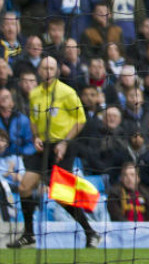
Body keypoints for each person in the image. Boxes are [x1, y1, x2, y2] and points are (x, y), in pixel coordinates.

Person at [7, 56, 100, 248]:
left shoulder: (67, 93)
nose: (47, 72)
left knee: (60, 193)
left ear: (57, 71)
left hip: (63, 146)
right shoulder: (35, 94)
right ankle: (29, 235)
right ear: (39, 71)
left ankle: (91, 233)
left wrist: (65, 142)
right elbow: (33, 119)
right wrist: (35, 137)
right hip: (43, 146)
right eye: (44, 68)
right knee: (24, 187)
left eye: (51, 68)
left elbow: (80, 120)